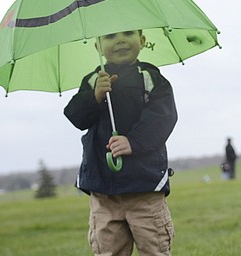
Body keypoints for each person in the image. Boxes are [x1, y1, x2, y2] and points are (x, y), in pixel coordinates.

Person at [64, 30, 177, 256]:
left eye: (128, 33)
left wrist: (133, 141)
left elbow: (164, 117)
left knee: (154, 247)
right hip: (102, 190)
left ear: (142, 41)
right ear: (98, 46)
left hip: (144, 185)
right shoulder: (93, 80)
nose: (120, 40)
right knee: (107, 250)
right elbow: (76, 117)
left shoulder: (151, 77)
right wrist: (94, 97)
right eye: (109, 36)